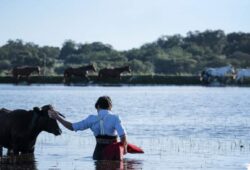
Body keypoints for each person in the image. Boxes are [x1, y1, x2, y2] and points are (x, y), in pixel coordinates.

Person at [48, 96, 128, 160]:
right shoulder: (115, 118)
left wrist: (58, 118)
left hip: (98, 154)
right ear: (110, 107)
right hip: (113, 154)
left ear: (98, 106)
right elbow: (123, 136)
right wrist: (124, 149)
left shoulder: (91, 119)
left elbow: (72, 127)